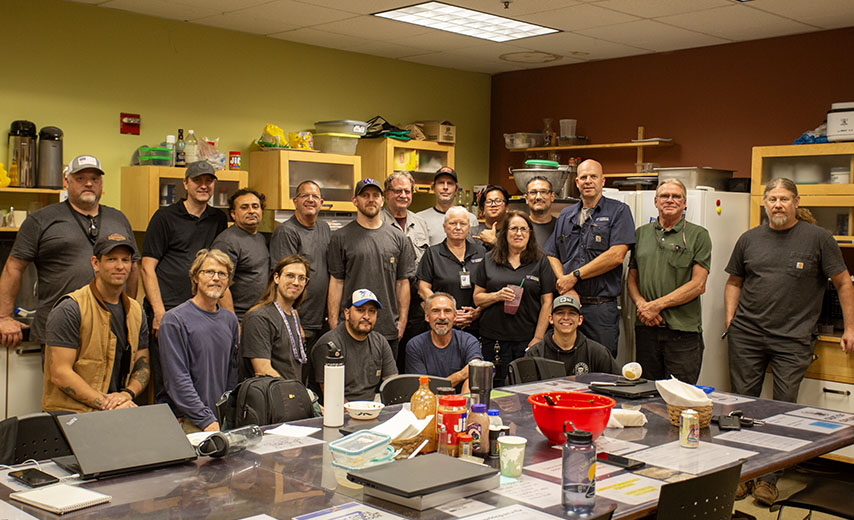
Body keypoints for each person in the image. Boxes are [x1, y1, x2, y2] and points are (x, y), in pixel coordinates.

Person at [725, 178, 854, 505]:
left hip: (793, 340)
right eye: (772, 199)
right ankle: (742, 474)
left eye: (784, 198)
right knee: (742, 407)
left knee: (783, 411)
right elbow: (734, 282)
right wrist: (731, 319)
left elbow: (843, 283)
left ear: (796, 202)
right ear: (765, 203)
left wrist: (850, 328)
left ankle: (769, 478)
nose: (778, 204)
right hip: (747, 336)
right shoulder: (749, 239)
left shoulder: (819, 239)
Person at [0, 155, 138, 349]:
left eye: (95, 179)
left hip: (110, 330)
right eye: (80, 178)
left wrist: (128, 313)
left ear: (101, 184)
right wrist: (4, 316)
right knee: (61, 379)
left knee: (111, 381)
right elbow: (13, 268)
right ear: (66, 182)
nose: (88, 183)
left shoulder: (118, 219)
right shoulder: (41, 220)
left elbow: (132, 268)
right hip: (59, 329)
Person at [141, 160, 227, 398]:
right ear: (185, 183)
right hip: (170, 311)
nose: (203, 186)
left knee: (199, 381)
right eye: (197, 181)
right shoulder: (165, 217)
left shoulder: (217, 219)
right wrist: (159, 313)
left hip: (203, 312)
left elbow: (219, 266)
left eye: (208, 181)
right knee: (169, 384)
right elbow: (147, 268)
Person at [42, 233, 149, 412]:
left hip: (113, 412)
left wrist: (127, 395)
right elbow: (60, 373)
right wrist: (107, 404)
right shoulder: (71, 308)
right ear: (95, 263)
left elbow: (143, 363)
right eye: (111, 259)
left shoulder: (136, 311)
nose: (120, 266)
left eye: (125, 260)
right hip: (71, 415)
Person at [545, 159, 635, 357]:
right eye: (583, 177)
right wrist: (566, 284)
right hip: (568, 305)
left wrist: (575, 276)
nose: (588, 181)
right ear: (577, 182)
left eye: (593, 176)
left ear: (602, 181)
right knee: (565, 363)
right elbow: (551, 254)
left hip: (600, 307)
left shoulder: (619, 211)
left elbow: (616, 255)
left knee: (601, 365)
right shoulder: (566, 214)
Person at [626, 179, 711, 384]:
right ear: (655, 201)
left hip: (682, 333)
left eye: (676, 196)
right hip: (646, 328)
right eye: (665, 196)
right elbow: (631, 278)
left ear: (684, 203)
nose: (670, 200)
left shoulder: (698, 235)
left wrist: (656, 306)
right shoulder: (641, 234)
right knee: (646, 394)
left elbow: (698, 285)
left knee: (681, 398)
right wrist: (642, 306)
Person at [327, 178, 415, 362]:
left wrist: (402, 321)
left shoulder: (398, 237)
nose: (371, 199)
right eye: (365, 195)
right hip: (350, 327)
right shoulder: (340, 237)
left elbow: (402, 283)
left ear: (382, 200)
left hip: (387, 328)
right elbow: (336, 281)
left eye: (376, 195)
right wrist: (334, 321)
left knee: (387, 385)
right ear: (355, 201)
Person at [158, 249, 239, 433]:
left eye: (222, 274)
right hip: (188, 422)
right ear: (195, 277)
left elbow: (231, 376)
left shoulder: (230, 320)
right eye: (209, 272)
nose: (216, 278)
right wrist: (205, 419)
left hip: (219, 422)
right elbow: (177, 380)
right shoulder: (174, 320)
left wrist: (226, 416)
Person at [473, 210, 555, 384]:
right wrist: (496, 296)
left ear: (530, 233)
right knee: (495, 388)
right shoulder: (489, 259)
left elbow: (547, 301)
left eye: (524, 229)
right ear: (505, 232)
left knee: (524, 388)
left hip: (527, 338)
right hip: (494, 339)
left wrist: (538, 338)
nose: (519, 233)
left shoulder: (541, 261)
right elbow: (477, 298)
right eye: (514, 229)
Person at [269, 180, 331, 352]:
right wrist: (294, 321)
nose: (310, 199)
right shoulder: (286, 231)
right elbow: (283, 282)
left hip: (320, 318)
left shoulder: (324, 228)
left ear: (321, 202)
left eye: (315, 196)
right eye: (305, 195)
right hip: (299, 319)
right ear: (295, 201)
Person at [381, 171, 432, 373]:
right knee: (389, 354)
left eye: (407, 191)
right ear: (387, 194)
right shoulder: (378, 222)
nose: (403, 195)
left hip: (415, 299)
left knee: (411, 353)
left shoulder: (419, 223)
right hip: (388, 296)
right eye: (398, 191)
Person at [311, 289, 397, 402]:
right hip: (338, 412)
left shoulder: (380, 342)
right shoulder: (329, 344)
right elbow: (333, 398)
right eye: (360, 310)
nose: (366, 316)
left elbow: (391, 385)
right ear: (347, 313)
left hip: (373, 407)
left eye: (372, 311)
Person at [416, 206, 486, 338]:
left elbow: (488, 287)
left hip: (474, 325)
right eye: (453, 223)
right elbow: (423, 288)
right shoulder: (432, 253)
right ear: (444, 227)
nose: (458, 227)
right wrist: (447, 313)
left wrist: (478, 312)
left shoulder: (481, 252)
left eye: (463, 223)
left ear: (469, 227)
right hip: (441, 324)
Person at [240, 255, 311, 382]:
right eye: (290, 275)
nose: (296, 282)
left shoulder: (293, 315)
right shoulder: (259, 317)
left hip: (292, 396)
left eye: (302, 278)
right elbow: (263, 371)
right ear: (276, 278)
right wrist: (298, 393)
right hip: (270, 398)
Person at [405, 293, 482, 392]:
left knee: (473, 379)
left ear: (454, 316)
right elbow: (423, 389)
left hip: (460, 403)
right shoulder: (415, 345)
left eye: (447, 311)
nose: (442, 317)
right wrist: (461, 374)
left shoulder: (468, 341)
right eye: (436, 311)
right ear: (427, 317)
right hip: (429, 403)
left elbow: (476, 368)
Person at [212, 189, 269, 320]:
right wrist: (232, 323)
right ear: (233, 214)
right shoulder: (227, 241)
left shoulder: (260, 238)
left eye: (255, 206)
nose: (251, 211)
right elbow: (220, 284)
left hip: (258, 315)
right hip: (238, 318)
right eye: (244, 207)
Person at [525, 295, 618, 376]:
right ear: (551, 318)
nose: (565, 317)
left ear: (580, 320)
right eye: (560, 313)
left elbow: (617, 385)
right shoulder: (535, 353)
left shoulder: (598, 353)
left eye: (572, 313)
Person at [417, 166, 478, 246]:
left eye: (449, 183)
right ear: (433, 188)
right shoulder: (420, 219)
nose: (445, 187)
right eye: (441, 183)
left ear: (456, 189)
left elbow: (474, 251)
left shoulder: (470, 219)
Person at [525, 176, 557, 248]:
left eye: (543, 192)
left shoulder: (561, 227)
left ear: (552, 196)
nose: (538, 197)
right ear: (527, 198)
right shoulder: (520, 228)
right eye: (533, 192)